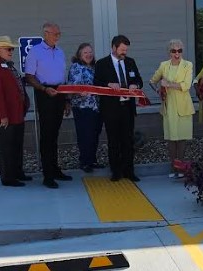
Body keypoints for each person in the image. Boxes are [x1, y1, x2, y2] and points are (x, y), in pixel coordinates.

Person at [25, 22, 72, 189]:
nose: (57, 36)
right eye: (55, 34)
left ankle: (55, 169)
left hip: (59, 92)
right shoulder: (35, 51)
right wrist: (44, 89)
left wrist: (66, 99)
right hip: (45, 93)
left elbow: (62, 76)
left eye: (59, 34)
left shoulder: (60, 52)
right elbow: (29, 76)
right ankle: (48, 175)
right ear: (46, 34)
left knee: (55, 134)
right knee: (47, 135)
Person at [94, 35, 143, 182]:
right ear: (114, 47)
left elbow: (139, 80)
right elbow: (96, 82)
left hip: (127, 108)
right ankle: (116, 171)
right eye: (122, 50)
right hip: (111, 109)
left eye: (126, 50)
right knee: (113, 141)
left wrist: (136, 85)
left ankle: (129, 171)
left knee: (128, 141)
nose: (124, 53)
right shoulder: (102, 64)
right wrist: (108, 84)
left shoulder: (130, 62)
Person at [0, 36, 31, 187]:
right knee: (6, 148)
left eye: (12, 48)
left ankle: (17, 172)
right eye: (8, 49)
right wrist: (2, 115)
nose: (11, 51)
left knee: (16, 145)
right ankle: (8, 178)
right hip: (5, 116)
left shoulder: (8, 65)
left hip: (16, 113)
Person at [150, 39, 195, 178]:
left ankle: (180, 168)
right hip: (169, 106)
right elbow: (152, 81)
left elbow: (186, 85)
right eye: (174, 51)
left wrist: (168, 84)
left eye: (179, 50)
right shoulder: (164, 65)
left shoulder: (188, 65)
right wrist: (158, 90)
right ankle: (173, 168)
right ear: (169, 52)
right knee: (171, 138)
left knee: (182, 138)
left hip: (183, 106)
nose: (177, 53)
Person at [67, 43, 103, 173]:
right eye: (85, 53)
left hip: (96, 106)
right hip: (82, 106)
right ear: (79, 55)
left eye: (90, 52)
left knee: (94, 133)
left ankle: (92, 160)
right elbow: (74, 85)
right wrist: (79, 91)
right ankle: (84, 161)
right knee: (85, 134)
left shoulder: (95, 67)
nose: (89, 55)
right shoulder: (77, 67)